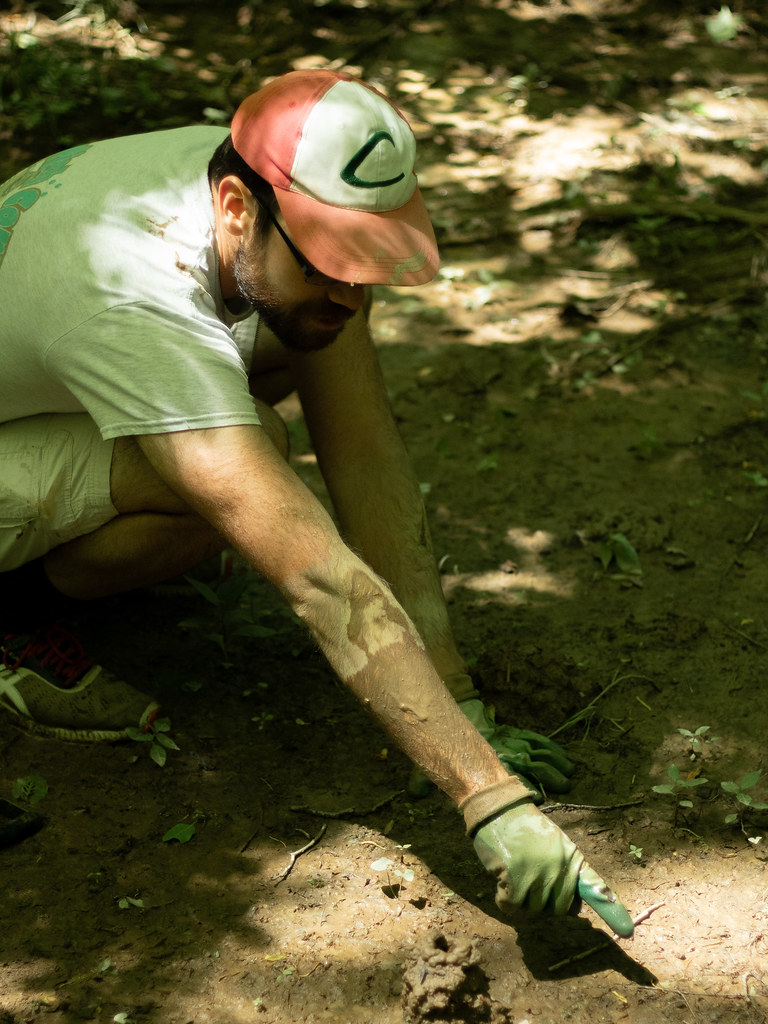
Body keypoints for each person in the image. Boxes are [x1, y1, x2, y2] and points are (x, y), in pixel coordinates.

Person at [0, 69, 632, 934]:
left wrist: (456, 696)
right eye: (334, 264)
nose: (355, 295)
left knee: (274, 378)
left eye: (369, 263)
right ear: (235, 209)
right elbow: (318, 578)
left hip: (38, 383)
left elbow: (364, 450)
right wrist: (487, 796)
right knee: (241, 465)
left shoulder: (263, 190)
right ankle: (15, 616)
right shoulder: (135, 296)